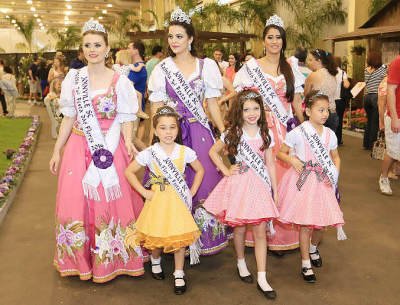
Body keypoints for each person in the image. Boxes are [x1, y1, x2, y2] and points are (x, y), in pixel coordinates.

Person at [49, 20, 145, 283]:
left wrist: (127, 142)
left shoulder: (120, 81)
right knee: (75, 203)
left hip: (111, 148)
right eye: (88, 45)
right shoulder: (73, 79)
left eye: (97, 45)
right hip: (79, 147)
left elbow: (127, 117)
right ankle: (78, 260)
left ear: (107, 48)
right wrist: (57, 150)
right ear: (82, 49)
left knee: (110, 203)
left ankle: (112, 259)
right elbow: (68, 118)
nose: (93, 50)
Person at [148, 7, 228, 257]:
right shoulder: (162, 69)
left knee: (202, 183)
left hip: (200, 132)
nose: (174, 41)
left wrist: (224, 133)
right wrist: (155, 136)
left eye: (179, 36)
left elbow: (213, 103)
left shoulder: (207, 66)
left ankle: (201, 239)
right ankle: (174, 240)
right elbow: (157, 107)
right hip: (173, 135)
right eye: (171, 37)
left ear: (191, 39)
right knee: (171, 184)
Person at [234, 14, 304, 253]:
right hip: (261, 130)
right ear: (263, 41)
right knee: (260, 180)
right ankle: (260, 233)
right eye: (270, 37)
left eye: (278, 38)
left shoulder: (291, 66)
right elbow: (241, 99)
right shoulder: (251, 67)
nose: (274, 41)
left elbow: (296, 102)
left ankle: (284, 236)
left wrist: (305, 130)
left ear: (284, 41)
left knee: (287, 182)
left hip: (286, 130)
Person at [204, 90, 279, 299]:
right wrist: (226, 170)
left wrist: (276, 190)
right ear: (240, 111)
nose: (252, 113)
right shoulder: (233, 133)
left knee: (260, 231)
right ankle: (240, 262)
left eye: (256, 108)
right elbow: (213, 152)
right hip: (240, 185)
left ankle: (263, 278)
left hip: (261, 186)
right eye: (247, 109)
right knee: (239, 228)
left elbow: (270, 163)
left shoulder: (266, 134)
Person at [125, 106, 204, 295]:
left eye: (172, 127)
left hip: (178, 202)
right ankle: (155, 260)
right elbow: (129, 172)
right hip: (158, 201)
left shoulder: (185, 151)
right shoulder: (150, 152)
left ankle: (178, 272)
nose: (168, 132)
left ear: (178, 129)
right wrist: (144, 193)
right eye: (163, 128)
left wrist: (192, 191)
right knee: (157, 235)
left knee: (179, 237)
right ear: (155, 130)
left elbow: (200, 170)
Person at [277, 91, 345, 283]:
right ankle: (305, 263)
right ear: (307, 111)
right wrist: (292, 160)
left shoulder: (330, 134)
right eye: (320, 110)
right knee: (306, 225)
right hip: (303, 182)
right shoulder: (298, 132)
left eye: (327, 110)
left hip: (323, 182)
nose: (325, 114)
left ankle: (314, 248)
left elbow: (336, 157)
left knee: (321, 224)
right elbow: (281, 153)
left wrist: (334, 175)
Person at [379, 55, 400, 195]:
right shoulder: (397, 62)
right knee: (393, 151)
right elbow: (390, 91)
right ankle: (384, 177)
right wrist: (394, 117)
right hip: (397, 115)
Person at [305, 49, 338, 132]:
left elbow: (306, 95)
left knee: (316, 143)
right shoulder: (332, 74)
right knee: (329, 142)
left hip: (319, 115)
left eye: (310, 60)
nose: (308, 63)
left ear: (319, 61)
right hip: (332, 114)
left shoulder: (313, 75)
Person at [113, 49, 149, 120]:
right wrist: (141, 65)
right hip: (126, 85)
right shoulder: (129, 66)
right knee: (139, 95)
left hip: (118, 86)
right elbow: (137, 69)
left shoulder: (115, 66)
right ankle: (139, 111)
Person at [363, 51, 387, 150]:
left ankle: (366, 143)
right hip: (376, 97)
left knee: (369, 120)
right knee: (375, 121)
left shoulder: (366, 70)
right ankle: (373, 144)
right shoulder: (383, 69)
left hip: (367, 97)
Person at [127, 40, 148, 141]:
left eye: (129, 48)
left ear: (136, 50)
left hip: (134, 106)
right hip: (135, 104)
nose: (128, 50)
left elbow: (127, 85)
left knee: (132, 137)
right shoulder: (139, 66)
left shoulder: (137, 67)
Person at [334, 57, 351, 145]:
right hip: (340, 100)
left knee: (328, 119)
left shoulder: (328, 72)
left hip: (329, 100)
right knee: (339, 120)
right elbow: (346, 85)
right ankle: (338, 140)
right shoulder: (342, 73)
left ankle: (329, 139)